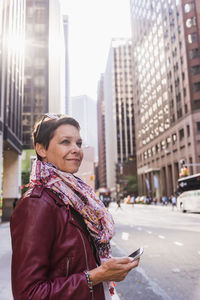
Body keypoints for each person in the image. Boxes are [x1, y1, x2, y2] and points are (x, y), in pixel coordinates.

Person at [10, 114, 140, 300]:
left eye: (78, 143)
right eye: (65, 142)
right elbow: (28, 294)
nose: (76, 150)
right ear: (41, 149)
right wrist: (96, 276)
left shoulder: (76, 197)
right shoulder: (36, 204)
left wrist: (106, 268)